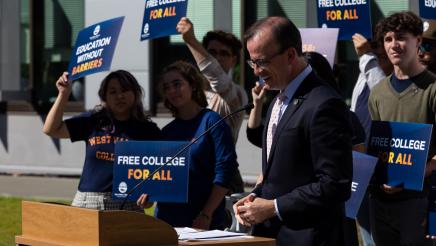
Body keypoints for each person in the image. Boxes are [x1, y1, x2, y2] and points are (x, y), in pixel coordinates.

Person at [233, 16, 353, 245]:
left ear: (290, 55)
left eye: (262, 62)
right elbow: (280, 173)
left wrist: (273, 207)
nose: (257, 71)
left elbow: (334, 184)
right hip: (273, 235)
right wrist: (256, 196)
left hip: (309, 237)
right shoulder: (278, 98)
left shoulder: (324, 103)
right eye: (252, 63)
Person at [43, 70, 161, 210]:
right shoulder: (93, 120)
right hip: (89, 202)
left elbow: (158, 172)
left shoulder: (149, 130)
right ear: (104, 97)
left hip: (129, 203)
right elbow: (51, 129)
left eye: (125, 90)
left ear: (135, 93)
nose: (119, 96)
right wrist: (63, 94)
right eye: (112, 92)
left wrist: (150, 196)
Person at [368, 11, 436, 246]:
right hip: (380, 200)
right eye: (388, 39)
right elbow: (375, 147)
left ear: (418, 40)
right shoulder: (377, 93)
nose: (394, 45)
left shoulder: (433, 89)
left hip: (420, 200)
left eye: (401, 37)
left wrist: (413, 175)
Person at [149, 61, 238, 230]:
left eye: (177, 84)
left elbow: (226, 170)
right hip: (166, 220)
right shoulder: (167, 131)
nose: (172, 91)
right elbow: (161, 175)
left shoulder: (212, 122)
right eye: (167, 87)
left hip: (202, 220)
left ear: (193, 85)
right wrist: (150, 194)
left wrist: (206, 213)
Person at [177, 17, 248, 194]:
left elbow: (217, 79)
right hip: (190, 172)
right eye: (212, 52)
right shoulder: (187, 93)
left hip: (222, 176)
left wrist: (191, 41)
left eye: (223, 53)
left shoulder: (237, 94)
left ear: (234, 60)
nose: (216, 58)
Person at [350, 32, 392, 246]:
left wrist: (367, 56)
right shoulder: (364, 77)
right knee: (366, 231)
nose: (377, 59)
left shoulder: (388, 82)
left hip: (383, 166)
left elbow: (384, 97)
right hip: (360, 164)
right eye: (374, 52)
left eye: (381, 57)